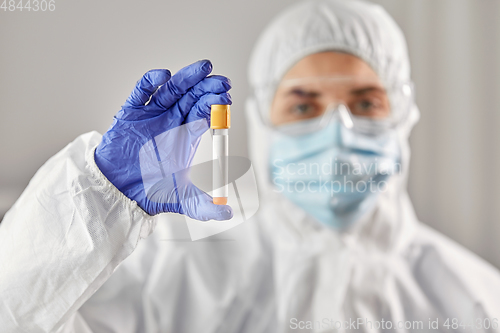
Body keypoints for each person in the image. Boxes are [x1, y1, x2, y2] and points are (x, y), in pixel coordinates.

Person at [1, 0, 499, 332]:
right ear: (262, 121)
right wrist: (97, 196)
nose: (338, 132)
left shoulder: (476, 301)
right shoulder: (176, 277)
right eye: (304, 106)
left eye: (365, 104)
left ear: (402, 115)